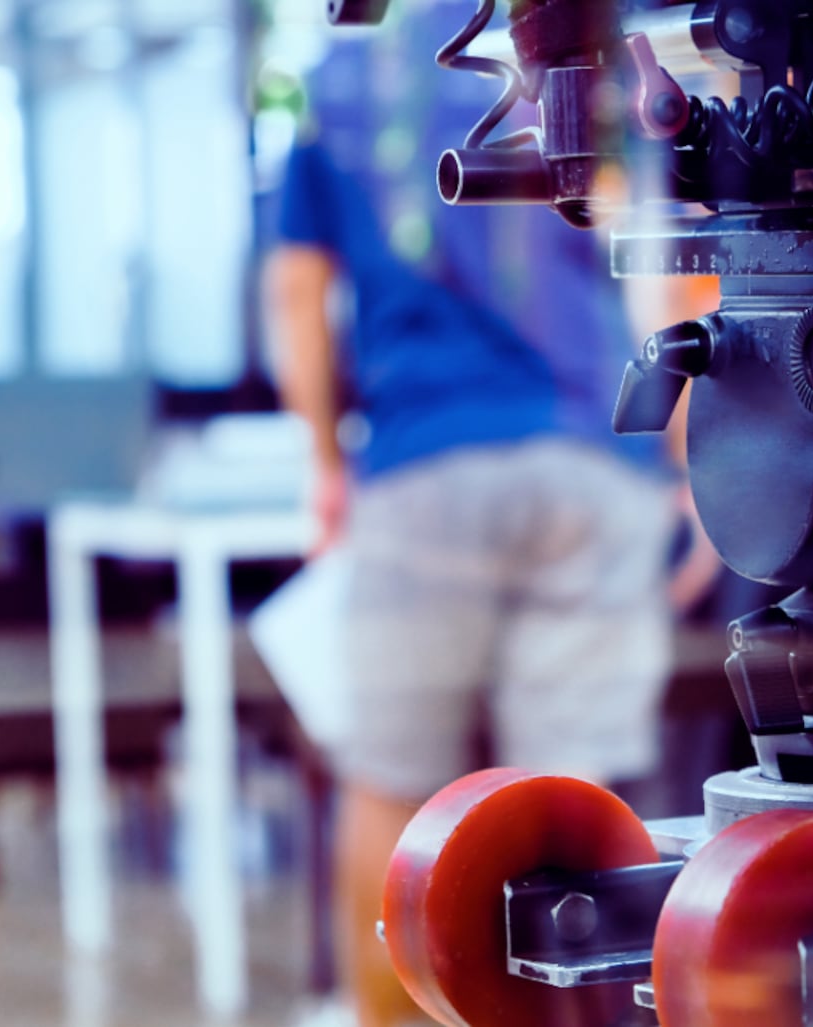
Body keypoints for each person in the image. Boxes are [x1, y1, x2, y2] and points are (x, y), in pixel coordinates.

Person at [266, 7, 683, 1024]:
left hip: (425, 462)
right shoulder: (582, 49)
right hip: (591, 459)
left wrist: (324, 461)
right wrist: (685, 460)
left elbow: (294, 293)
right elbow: (656, 265)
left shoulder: (341, 74)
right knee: (570, 795)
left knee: (393, 784)